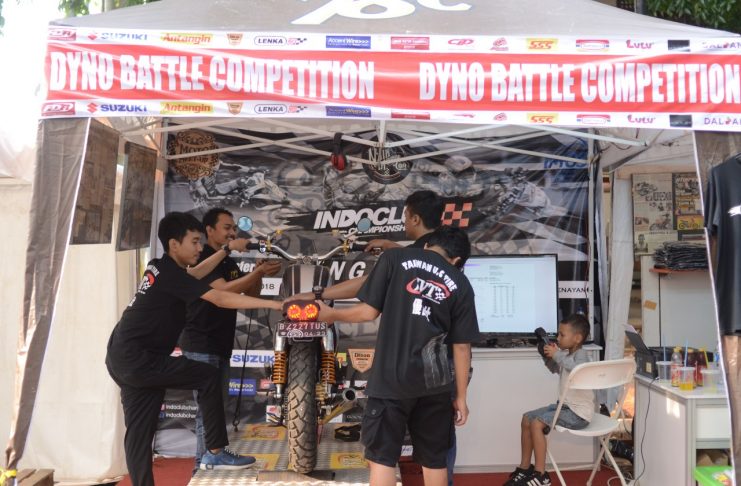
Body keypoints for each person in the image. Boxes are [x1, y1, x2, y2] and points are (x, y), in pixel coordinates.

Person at [105, 212, 283, 486]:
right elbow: (221, 298)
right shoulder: (169, 274)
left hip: (122, 356)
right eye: (195, 242)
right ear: (174, 244)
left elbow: (195, 275)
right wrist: (276, 304)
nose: (200, 248)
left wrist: (225, 250)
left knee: (139, 434)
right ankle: (215, 452)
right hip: (140, 358)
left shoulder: (160, 267)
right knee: (207, 376)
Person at [317, 226, 480, 486]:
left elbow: (368, 312)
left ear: (427, 245)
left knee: (383, 459)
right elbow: (462, 347)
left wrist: (331, 314)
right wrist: (461, 397)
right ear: (457, 260)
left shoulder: (394, 258)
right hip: (435, 385)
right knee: (434, 461)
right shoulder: (461, 283)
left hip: (390, 380)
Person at [179, 207, 282, 474]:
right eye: (227, 228)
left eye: (234, 228)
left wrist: (258, 272)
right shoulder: (203, 258)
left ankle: (208, 462)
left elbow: (250, 293)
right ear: (209, 230)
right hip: (200, 344)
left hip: (220, 345)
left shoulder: (229, 263)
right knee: (208, 410)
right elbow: (223, 292)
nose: (232, 233)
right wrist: (255, 274)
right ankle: (201, 467)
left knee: (215, 408)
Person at [504, 314, 593, 486]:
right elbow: (556, 368)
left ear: (577, 338)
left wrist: (557, 355)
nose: (558, 338)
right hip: (565, 407)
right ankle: (525, 468)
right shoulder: (567, 355)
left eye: (562, 334)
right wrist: (547, 356)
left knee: (537, 424)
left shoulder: (581, 355)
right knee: (527, 418)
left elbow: (579, 370)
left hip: (578, 414)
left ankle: (541, 475)